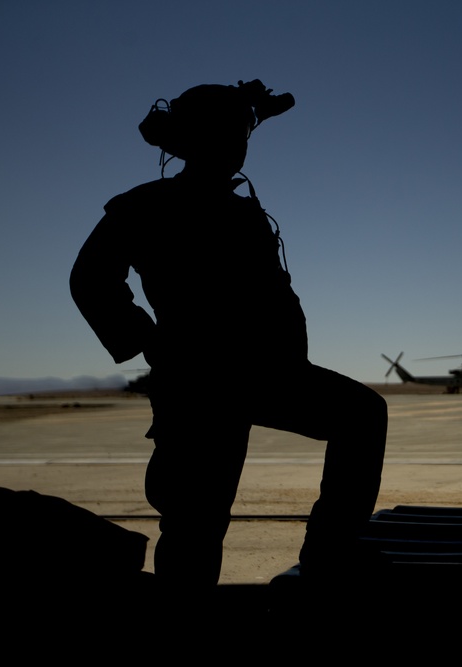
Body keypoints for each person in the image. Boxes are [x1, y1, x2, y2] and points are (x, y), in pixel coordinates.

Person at [69, 79, 387, 591]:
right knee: (196, 522)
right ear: (196, 140)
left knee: (363, 416)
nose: (239, 145)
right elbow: (90, 278)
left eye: (241, 135)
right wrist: (148, 341)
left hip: (269, 374)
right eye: (227, 134)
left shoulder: (237, 207)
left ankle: (330, 553)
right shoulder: (145, 204)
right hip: (201, 384)